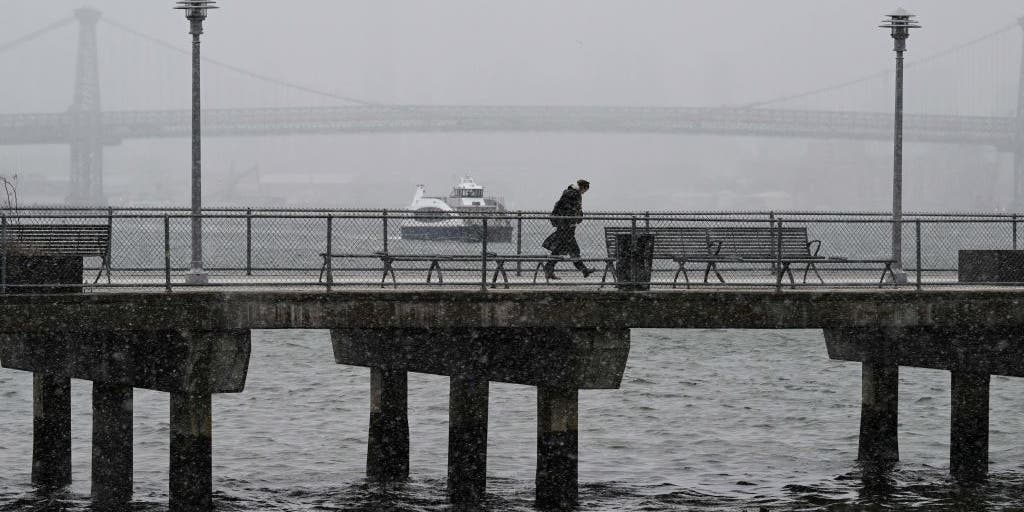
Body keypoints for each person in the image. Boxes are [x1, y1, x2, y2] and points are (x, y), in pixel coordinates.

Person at [541, 179, 594, 279]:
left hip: (564, 226)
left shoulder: (569, 193)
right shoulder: (574, 194)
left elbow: (567, 208)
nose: (584, 193)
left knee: (559, 249)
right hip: (567, 227)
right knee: (573, 250)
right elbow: (572, 209)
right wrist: (575, 218)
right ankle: (583, 270)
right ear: (583, 188)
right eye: (585, 191)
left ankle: (549, 269)